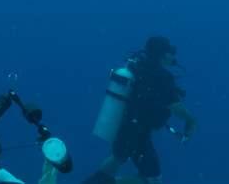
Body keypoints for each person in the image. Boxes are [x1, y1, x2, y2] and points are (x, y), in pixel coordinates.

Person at [83, 36, 198, 184]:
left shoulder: (138, 66)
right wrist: (191, 120)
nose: (173, 56)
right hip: (138, 134)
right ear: (162, 54)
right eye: (171, 52)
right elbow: (175, 107)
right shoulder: (162, 77)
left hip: (124, 126)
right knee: (153, 180)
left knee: (117, 159)